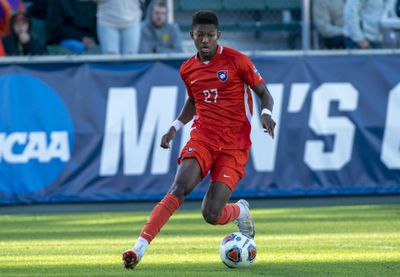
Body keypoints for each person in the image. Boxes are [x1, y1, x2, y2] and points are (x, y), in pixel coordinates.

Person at [122, 10, 276, 270]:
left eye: (210, 35)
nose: (205, 40)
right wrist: (174, 126)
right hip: (203, 137)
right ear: (191, 36)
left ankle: (240, 211)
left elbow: (264, 93)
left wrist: (266, 113)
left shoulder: (237, 61)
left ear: (219, 36)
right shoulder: (188, 69)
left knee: (211, 214)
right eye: (200, 35)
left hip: (234, 146)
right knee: (178, 188)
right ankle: (138, 248)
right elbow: (194, 100)